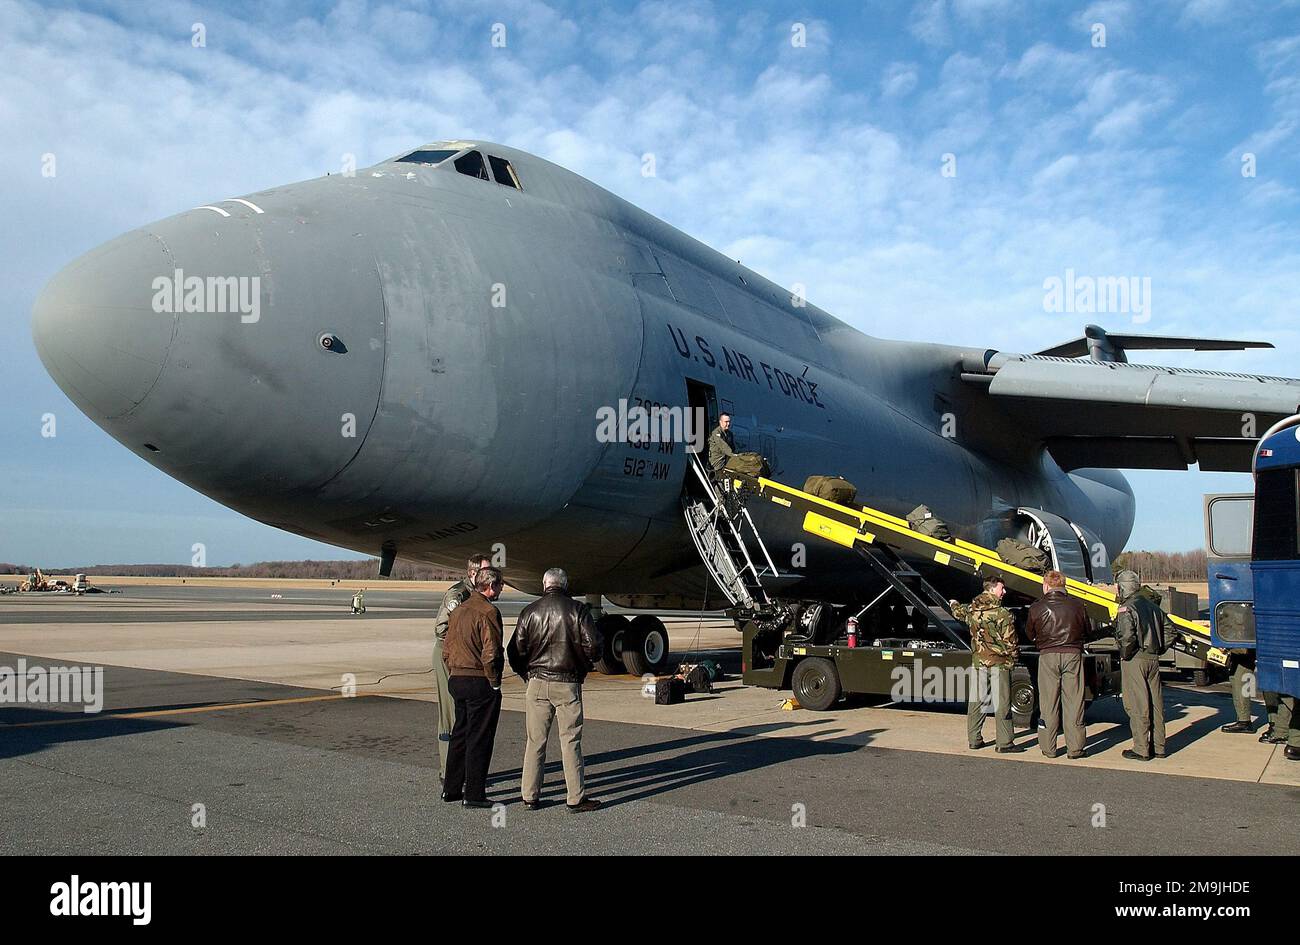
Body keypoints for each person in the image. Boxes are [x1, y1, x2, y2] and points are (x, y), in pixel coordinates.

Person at [508, 568, 604, 812]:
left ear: (544, 584)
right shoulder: (578, 610)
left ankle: (529, 796)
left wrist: (526, 674)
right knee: (570, 740)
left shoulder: (530, 612)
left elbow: (514, 651)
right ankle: (575, 798)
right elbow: (594, 646)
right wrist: (582, 667)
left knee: (535, 741)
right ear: (565, 584)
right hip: (568, 683)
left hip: (537, 683)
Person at [442, 566, 505, 808]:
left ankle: (451, 788)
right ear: (490, 586)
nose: (500, 590)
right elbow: (491, 653)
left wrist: (454, 671)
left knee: (459, 734)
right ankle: (475, 793)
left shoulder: (459, 610)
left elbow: (447, 648)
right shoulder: (488, 611)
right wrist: (495, 682)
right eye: (499, 585)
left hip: (457, 678)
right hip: (478, 679)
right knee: (479, 737)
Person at [433, 554, 492, 783]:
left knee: (466, 716)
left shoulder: (478, 595)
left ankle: (463, 770)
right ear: (472, 573)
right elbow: (441, 629)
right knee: (450, 716)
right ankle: (448, 773)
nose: (490, 574)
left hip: (464, 659)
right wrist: (465, 647)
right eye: (486, 570)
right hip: (449, 657)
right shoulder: (458, 595)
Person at [951, 577, 1022, 753]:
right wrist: (1014, 658)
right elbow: (1011, 642)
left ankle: (974, 739)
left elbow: (958, 612)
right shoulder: (1002, 613)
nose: (1004, 592)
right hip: (999, 664)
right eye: (1001, 588)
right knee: (1002, 703)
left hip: (979, 662)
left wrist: (953, 604)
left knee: (977, 701)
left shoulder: (972, 609)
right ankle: (1004, 743)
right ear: (991, 590)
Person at [1025, 570, 1091, 759]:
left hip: (1048, 655)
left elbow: (1030, 633)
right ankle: (1076, 748)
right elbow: (1087, 630)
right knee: (1074, 702)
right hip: (1072, 654)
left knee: (1049, 703)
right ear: (1064, 586)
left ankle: (1048, 747)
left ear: (1046, 586)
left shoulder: (1037, 607)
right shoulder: (1078, 605)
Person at [1113, 570, 1173, 760]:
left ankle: (1141, 748)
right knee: (1156, 704)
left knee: (1137, 704)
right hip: (1152, 659)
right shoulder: (1154, 607)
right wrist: (1159, 649)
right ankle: (1160, 747)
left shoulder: (1126, 608)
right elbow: (1171, 631)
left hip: (1135, 660)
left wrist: (1125, 654)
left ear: (1123, 587)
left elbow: (1126, 636)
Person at [1221, 650, 1258, 734]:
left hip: (1245, 654)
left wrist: (1228, 648)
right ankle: (1243, 720)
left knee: (1241, 683)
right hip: (1240, 656)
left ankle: (1244, 722)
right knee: (1237, 681)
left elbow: (1244, 648)